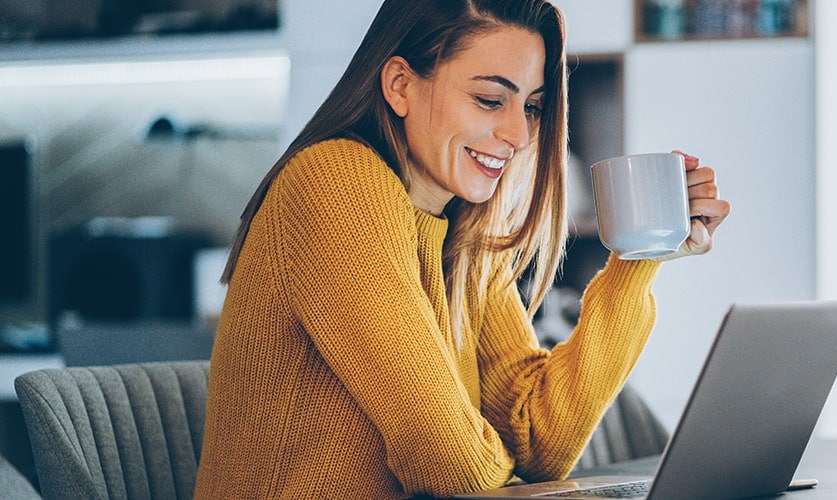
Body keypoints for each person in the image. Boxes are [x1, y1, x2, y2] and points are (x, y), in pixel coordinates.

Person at [193, 0, 730, 497]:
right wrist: (501, 467)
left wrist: (641, 257)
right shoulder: (335, 182)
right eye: (490, 100)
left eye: (534, 107)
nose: (520, 134)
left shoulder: (463, 231)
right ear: (401, 84)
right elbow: (449, 463)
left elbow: (538, 444)